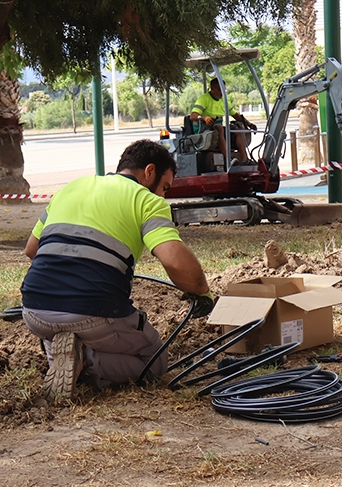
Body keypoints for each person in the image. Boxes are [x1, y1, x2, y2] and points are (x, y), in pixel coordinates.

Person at [20, 139, 215, 403]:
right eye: (165, 187)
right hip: (94, 311)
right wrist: (201, 290)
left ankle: (60, 353)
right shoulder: (146, 201)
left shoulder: (71, 188)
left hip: (34, 310)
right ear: (149, 172)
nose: (163, 195)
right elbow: (176, 264)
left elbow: (32, 249)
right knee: (155, 363)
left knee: (63, 329)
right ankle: (86, 360)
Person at [190, 77, 258, 163]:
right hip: (203, 129)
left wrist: (249, 124)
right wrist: (204, 117)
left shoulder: (224, 101)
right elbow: (193, 116)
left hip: (216, 127)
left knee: (239, 129)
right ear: (212, 88)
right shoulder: (204, 99)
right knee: (220, 129)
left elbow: (236, 115)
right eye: (219, 89)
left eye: (223, 90)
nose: (222, 92)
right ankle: (228, 160)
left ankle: (244, 159)